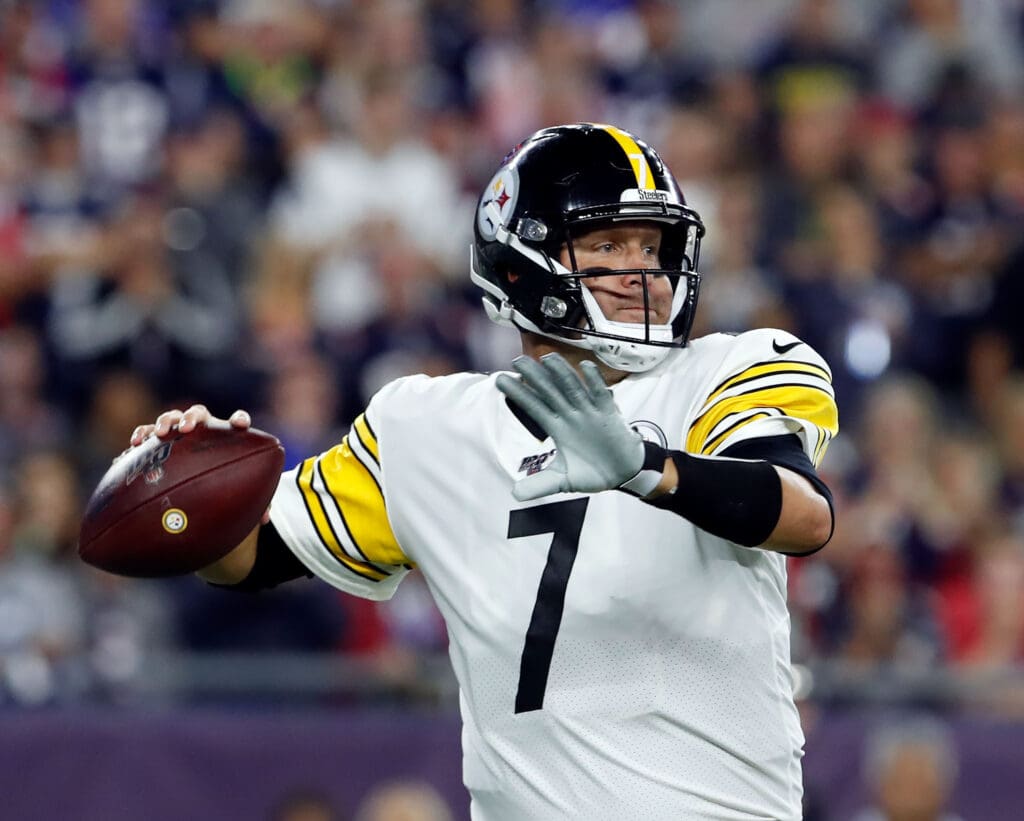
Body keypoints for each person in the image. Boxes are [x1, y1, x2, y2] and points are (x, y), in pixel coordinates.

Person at [130, 123, 838, 820]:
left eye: (651, 247)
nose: (640, 270)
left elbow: (803, 515)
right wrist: (186, 490)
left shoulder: (731, 369)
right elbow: (251, 558)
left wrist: (646, 468)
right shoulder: (425, 425)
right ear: (520, 262)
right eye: (606, 244)